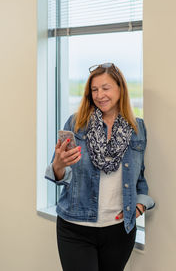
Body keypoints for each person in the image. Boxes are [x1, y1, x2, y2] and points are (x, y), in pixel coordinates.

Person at [45, 63, 155, 271]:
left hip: (120, 231)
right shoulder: (77, 123)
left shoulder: (137, 128)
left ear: (120, 88)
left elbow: (139, 178)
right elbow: (60, 176)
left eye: (106, 88)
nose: (99, 95)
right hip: (75, 228)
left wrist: (139, 207)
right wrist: (58, 164)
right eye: (94, 90)